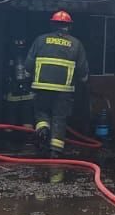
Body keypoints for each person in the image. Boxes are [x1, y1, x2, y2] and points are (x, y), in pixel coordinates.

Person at [25, 10, 89, 152]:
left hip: (42, 88)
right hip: (63, 91)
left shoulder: (40, 40)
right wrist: (83, 79)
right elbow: (83, 71)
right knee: (59, 117)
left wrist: (29, 74)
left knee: (41, 112)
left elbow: (28, 65)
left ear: (52, 24)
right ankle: (55, 151)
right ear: (69, 26)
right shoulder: (76, 44)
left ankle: (42, 128)